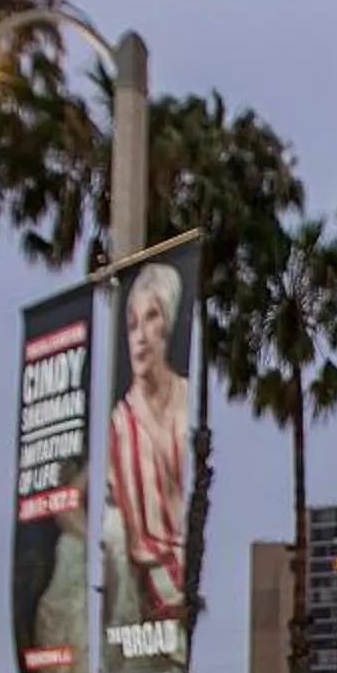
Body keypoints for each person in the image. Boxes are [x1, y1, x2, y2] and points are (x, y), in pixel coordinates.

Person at [103, 261, 190, 646]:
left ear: (167, 324)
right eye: (132, 322)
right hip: (150, 574)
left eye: (151, 317)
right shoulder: (121, 422)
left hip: (182, 567)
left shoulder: (186, 400)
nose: (139, 336)